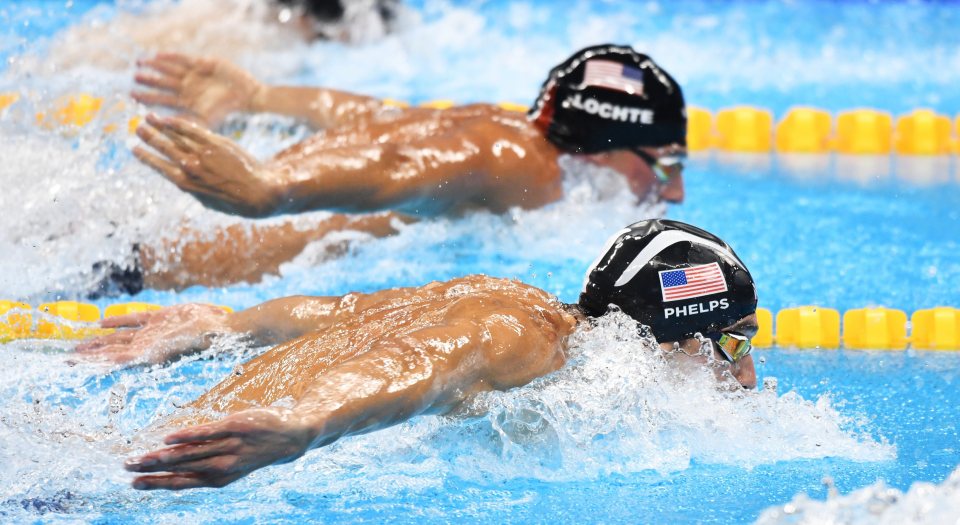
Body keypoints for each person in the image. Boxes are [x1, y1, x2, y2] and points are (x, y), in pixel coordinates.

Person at [77, 219, 758, 490]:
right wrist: (303, 421)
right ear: (673, 334)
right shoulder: (524, 340)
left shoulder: (513, 299)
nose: (747, 373)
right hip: (211, 455)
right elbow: (415, 363)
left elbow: (346, 313)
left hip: (184, 438)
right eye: (734, 341)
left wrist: (225, 322)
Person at [121, 44, 688, 292]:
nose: (677, 192)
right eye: (665, 166)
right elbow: (403, 165)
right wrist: (271, 190)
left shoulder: (505, 128)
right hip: (150, 265)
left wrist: (260, 96)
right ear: (604, 147)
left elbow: (374, 118)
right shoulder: (519, 165)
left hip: (145, 233)